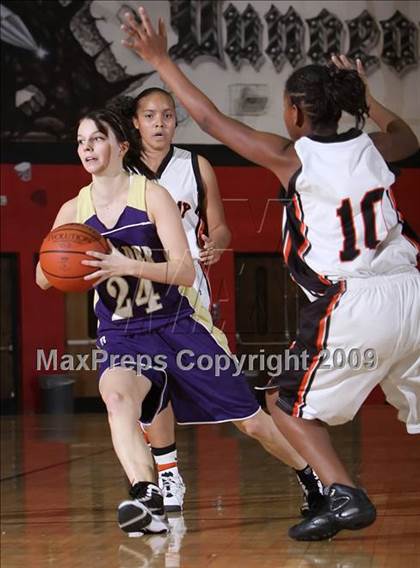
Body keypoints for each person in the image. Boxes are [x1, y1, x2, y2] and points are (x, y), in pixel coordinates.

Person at [121, 7, 420, 541]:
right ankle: (334, 498)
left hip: (352, 299)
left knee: (284, 404)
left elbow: (211, 121)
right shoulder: (376, 147)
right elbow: (407, 134)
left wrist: (161, 59)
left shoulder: (293, 157)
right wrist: (366, 96)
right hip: (413, 290)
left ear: (296, 114)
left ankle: (344, 494)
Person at [36, 108, 324, 536]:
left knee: (252, 421)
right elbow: (44, 277)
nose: (87, 148)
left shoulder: (151, 196)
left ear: (121, 146)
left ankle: (312, 479)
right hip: (122, 334)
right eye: (81, 142)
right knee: (118, 400)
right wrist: (68, 263)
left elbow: (185, 271)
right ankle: (146, 495)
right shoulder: (72, 210)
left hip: (177, 326)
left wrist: (123, 263)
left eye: (96, 139)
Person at [109, 87, 231, 513]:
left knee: (217, 377)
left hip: (187, 284)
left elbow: (220, 227)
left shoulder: (197, 166)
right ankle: (168, 475)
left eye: (167, 115)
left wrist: (215, 243)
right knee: (150, 385)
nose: (159, 123)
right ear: (135, 122)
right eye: (150, 115)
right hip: (137, 291)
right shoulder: (117, 168)